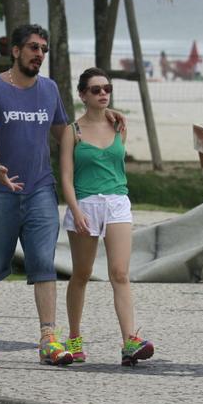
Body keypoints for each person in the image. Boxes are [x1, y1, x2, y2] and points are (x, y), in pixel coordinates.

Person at [0, 24, 126, 366]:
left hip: (40, 188)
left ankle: (48, 338)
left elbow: (66, 133)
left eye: (44, 50)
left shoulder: (49, 90)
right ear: (16, 51)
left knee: (43, 264)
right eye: (34, 48)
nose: (39, 54)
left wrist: (101, 115)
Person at [59, 67, 154, 367]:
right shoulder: (71, 130)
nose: (103, 94)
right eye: (96, 89)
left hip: (116, 202)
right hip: (85, 203)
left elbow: (116, 163)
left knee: (120, 273)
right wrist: (75, 211)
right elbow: (65, 176)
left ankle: (129, 340)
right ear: (82, 95)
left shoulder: (118, 126)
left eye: (107, 89)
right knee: (82, 274)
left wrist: (110, 112)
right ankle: (74, 337)